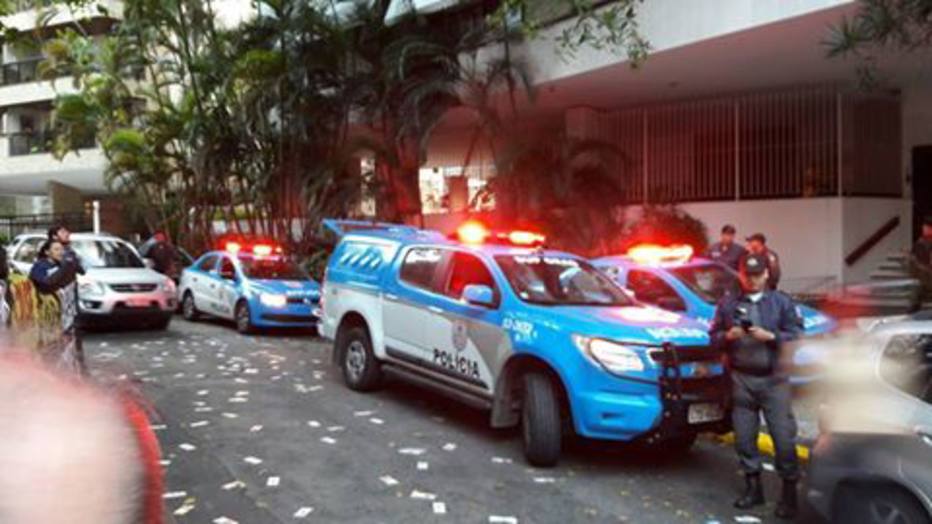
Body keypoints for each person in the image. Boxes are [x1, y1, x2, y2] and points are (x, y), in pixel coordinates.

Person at [710, 254, 803, 520]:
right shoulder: (728, 304)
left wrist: (772, 337)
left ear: (766, 274)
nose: (751, 279)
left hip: (774, 379)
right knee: (744, 438)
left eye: (757, 274)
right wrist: (727, 336)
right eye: (746, 274)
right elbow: (712, 337)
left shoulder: (781, 302)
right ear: (740, 274)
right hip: (741, 379)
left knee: (783, 438)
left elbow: (797, 334)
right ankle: (754, 489)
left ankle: (789, 493)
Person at [28, 239, 82, 373]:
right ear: (47, 252)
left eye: (62, 249)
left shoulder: (65, 265)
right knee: (50, 351)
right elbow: (46, 284)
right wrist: (64, 269)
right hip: (49, 316)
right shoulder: (40, 267)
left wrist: (73, 263)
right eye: (56, 249)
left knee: (68, 350)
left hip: (68, 314)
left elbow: (81, 272)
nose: (61, 252)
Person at [910, 215, 932, 311]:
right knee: (917, 292)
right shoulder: (920, 243)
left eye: (926, 227)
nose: (924, 229)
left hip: (927, 274)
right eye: (924, 227)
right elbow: (915, 257)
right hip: (923, 275)